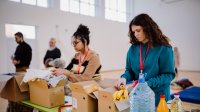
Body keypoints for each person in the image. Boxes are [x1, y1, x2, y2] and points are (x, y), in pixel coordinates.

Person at [115, 13, 175, 106]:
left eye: (138, 30)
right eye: (133, 32)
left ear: (147, 28)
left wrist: (147, 84)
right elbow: (129, 70)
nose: (135, 34)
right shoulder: (133, 49)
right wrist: (124, 78)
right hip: (139, 96)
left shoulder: (164, 48)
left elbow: (168, 75)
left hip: (159, 98)